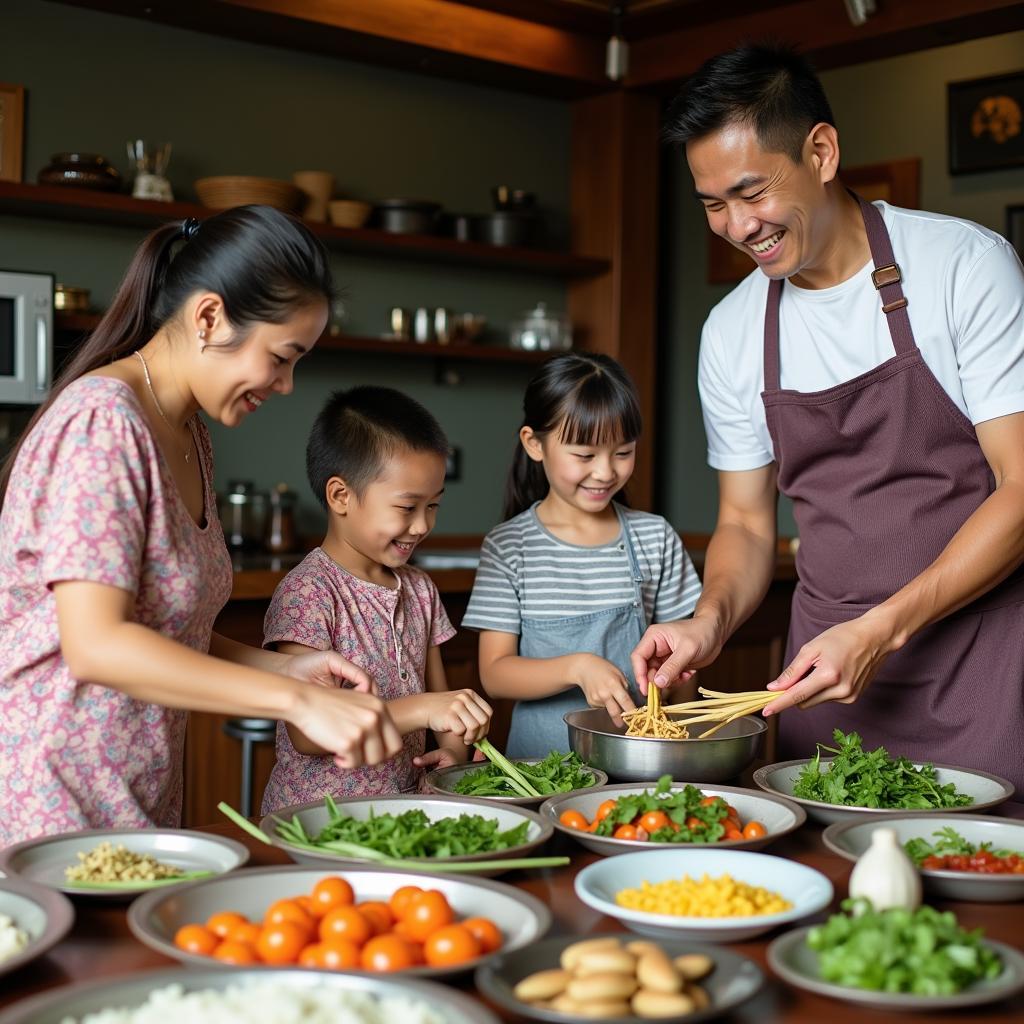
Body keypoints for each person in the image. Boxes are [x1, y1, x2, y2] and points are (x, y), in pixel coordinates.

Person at [631, 44, 1024, 788]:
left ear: (821, 150)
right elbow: (746, 524)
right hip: (823, 682)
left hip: (986, 665)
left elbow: (1021, 487)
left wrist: (880, 629)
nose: (738, 226)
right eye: (713, 204)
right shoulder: (733, 330)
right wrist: (707, 622)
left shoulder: (964, 267)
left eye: (752, 193)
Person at [0, 206, 403, 847]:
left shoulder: (190, 435)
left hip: (137, 790)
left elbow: (166, 625)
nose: (287, 384)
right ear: (209, 317)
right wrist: (296, 705)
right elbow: (95, 643)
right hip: (55, 795)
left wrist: (285, 673)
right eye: (281, 357)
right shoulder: (105, 423)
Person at [260, 386, 492, 812]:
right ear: (340, 496)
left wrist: (454, 751)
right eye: (407, 507)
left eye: (434, 506)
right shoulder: (309, 591)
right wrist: (422, 709)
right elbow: (307, 733)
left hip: (403, 812)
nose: (423, 525)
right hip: (321, 818)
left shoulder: (420, 589)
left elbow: (443, 704)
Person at [464, 353, 702, 758]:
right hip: (541, 767)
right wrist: (576, 667)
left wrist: (678, 694)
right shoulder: (509, 547)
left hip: (640, 761)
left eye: (623, 452)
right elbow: (495, 673)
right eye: (585, 455)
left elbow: (685, 665)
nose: (606, 472)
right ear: (534, 444)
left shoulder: (655, 536)